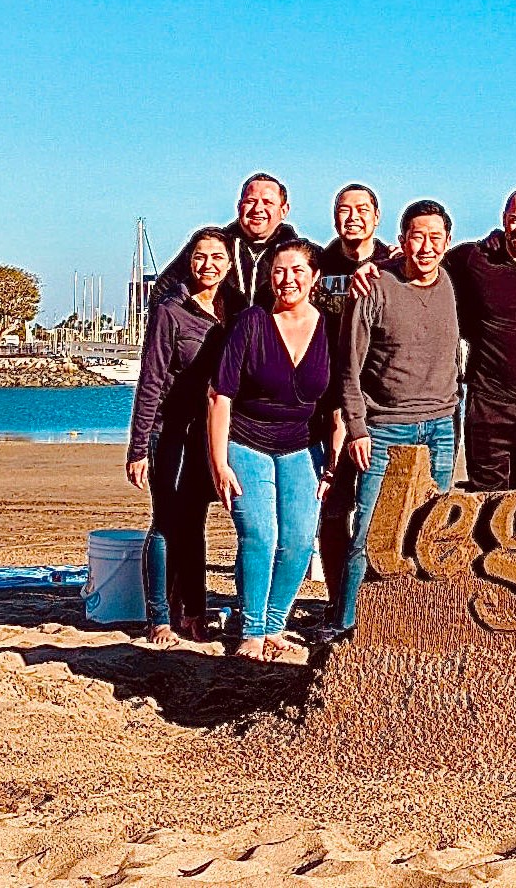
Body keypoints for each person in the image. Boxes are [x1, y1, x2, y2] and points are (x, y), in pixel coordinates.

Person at [352, 187, 516, 491]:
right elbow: (423, 260)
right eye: (515, 219)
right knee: (484, 502)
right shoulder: (473, 258)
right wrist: (375, 265)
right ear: (504, 219)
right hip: (488, 403)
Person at [333, 199, 460, 635]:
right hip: (384, 428)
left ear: (447, 242)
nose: (425, 247)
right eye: (416, 237)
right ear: (402, 240)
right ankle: (346, 622)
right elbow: (349, 366)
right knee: (367, 533)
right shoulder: (373, 288)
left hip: (442, 427)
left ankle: (417, 622)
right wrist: (356, 428)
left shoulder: (453, 279)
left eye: (435, 238)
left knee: (431, 532)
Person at [208, 238, 336, 663]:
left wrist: (333, 462)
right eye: (280, 271)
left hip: (304, 447)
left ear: (314, 277)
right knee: (261, 535)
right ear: (269, 277)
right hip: (246, 442)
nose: (288, 279)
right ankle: (252, 629)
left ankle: (275, 624)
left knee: (299, 541)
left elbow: (338, 404)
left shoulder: (331, 328)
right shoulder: (251, 322)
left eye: (298, 270)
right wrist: (220, 462)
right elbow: (219, 396)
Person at [126, 227, 235, 645]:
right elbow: (150, 382)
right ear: (189, 261)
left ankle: (193, 612)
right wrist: (138, 448)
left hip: (208, 433)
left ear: (228, 265)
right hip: (168, 431)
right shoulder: (169, 311)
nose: (208, 265)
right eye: (199, 256)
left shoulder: (234, 308)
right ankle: (158, 618)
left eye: (216, 258)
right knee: (167, 522)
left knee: (195, 523)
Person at [313, 183, 393, 615]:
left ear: (377, 216)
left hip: (380, 402)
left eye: (362, 209)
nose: (353, 217)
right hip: (326, 401)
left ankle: (374, 602)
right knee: (334, 507)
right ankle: (336, 598)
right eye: (343, 209)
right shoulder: (318, 265)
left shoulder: (392, 263)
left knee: (378, 507)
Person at [154, 173, 298, 310]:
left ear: (284, 210)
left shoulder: (301, 255)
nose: (258, 209)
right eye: (250, 201)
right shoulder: (211, 247)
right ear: (239, 206)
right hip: (217, 335)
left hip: (277, 335)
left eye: (268, 202)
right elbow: (162, 291)